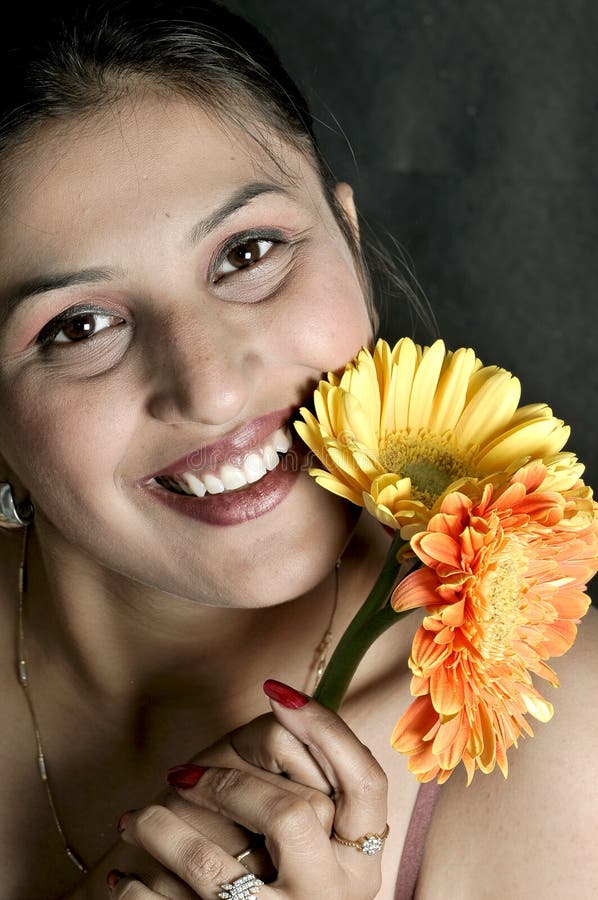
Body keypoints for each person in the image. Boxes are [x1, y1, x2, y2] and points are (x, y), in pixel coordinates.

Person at [0, 2, 596, 898]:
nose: (213, 389)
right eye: (79, 326)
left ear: (349, 244)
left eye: (248, 253)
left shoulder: (554, 740)